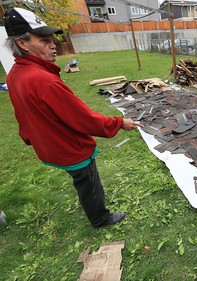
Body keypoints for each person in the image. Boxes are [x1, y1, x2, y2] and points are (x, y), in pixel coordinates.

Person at [3, 7, 144, 228]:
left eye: (52, 40)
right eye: (44, 41)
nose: (53, 46)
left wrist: (29, 136)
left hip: (49, 144)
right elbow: (83, 119)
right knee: (88, 183)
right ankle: (101, 218)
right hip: (69, 147)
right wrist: (119, 123)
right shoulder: (44, 81)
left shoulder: (14, 74)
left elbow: (22, 112)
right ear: (23, 43)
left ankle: (96, 214)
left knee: (81, 181)